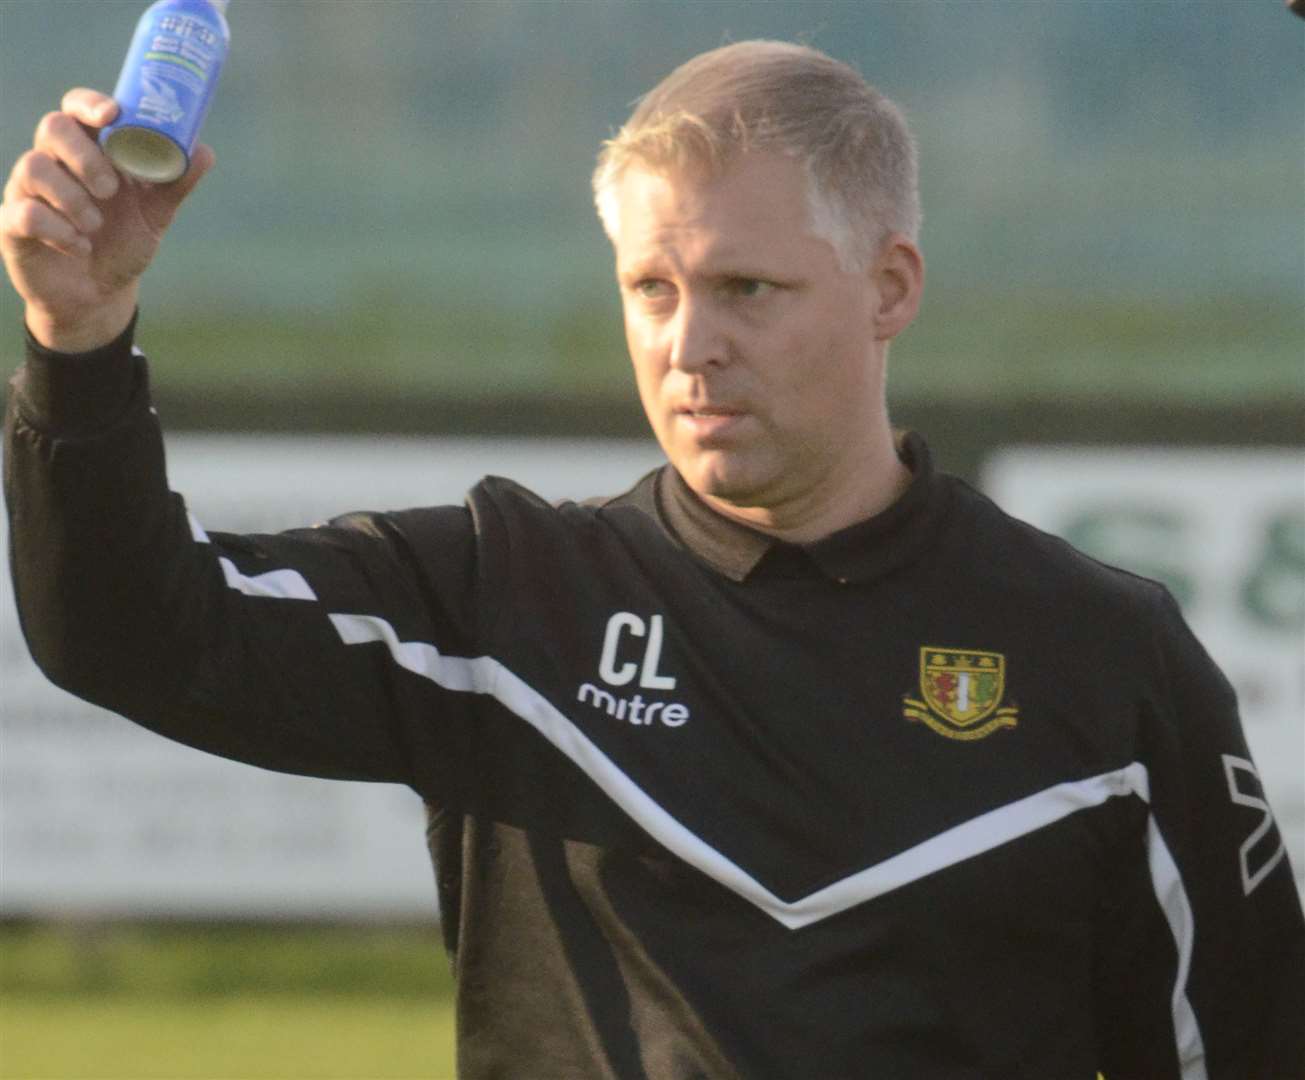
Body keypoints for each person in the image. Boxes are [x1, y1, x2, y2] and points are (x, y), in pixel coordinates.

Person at [2, 39, 1302, 1080]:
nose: (688, 347)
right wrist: (79, 339)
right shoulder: (503, 607)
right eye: (651, 290)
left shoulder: (1099, 652)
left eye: (746, 290)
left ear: (890, 286)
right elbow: (129, 633)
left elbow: (1246, 1047)